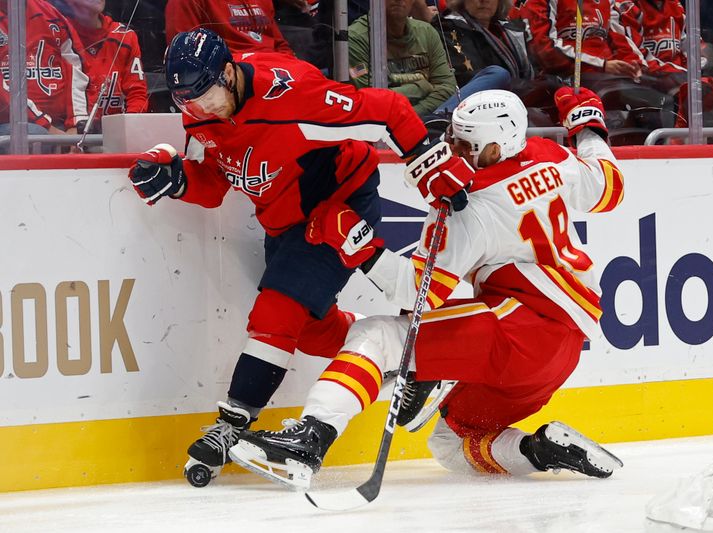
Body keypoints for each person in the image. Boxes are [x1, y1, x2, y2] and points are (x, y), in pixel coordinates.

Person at [126, 28, 471, 487]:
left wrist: (427, 160)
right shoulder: (198, 114)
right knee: (309, 329)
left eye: (207, 95)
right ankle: (410, 357)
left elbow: (389, 110)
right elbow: (213, 185)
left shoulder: (294, 92)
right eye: (189, 102)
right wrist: (175, 180)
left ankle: (232, 425)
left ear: (228, 74)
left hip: (339, 203)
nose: (202, 109)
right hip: (285, 220)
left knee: (277, 309)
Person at [228, 88, 625, 486]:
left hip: (519, 332)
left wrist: (360, 246)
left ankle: (309, 440)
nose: (451, 148)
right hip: (562, 351)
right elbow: (610, 185)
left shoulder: (465, 205)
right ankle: (538, 450)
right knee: (452, 445)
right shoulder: (550, 156)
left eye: (465, 143)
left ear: (495, 149)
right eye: (452, 135)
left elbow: (418, 293)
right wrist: (587, 124)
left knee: (378, 335)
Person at [348, 0, 458, 116]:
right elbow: (369, 100)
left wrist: (410, 117)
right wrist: (422, 87)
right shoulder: (355, 39)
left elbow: (447, 88)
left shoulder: (426, 32)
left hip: (427, 120)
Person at [0, 0, 89, 140]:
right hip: (10, 125)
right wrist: (49, 128)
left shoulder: (52, 14)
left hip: (58, 126)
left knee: (100, 134)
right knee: (35, 134)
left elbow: (75, 68)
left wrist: (75, 124)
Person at [53, 0, 147, 130]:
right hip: (69, 134)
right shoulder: (56, 36)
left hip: (116, 136)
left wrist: (129, 129)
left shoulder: (125, 37)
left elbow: (137, 94)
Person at [515, 0, 645, 85]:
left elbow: (620, 40)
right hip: (559, 82)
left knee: (650, 100)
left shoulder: (607, 2)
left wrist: (635, 66)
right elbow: (544, 50)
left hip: (607, 79)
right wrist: (601, 66)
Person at [165, 0, 294, 55]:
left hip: (275, 75)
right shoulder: (184, 2)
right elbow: (184, 54)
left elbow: (280, 44)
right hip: (231, 84)